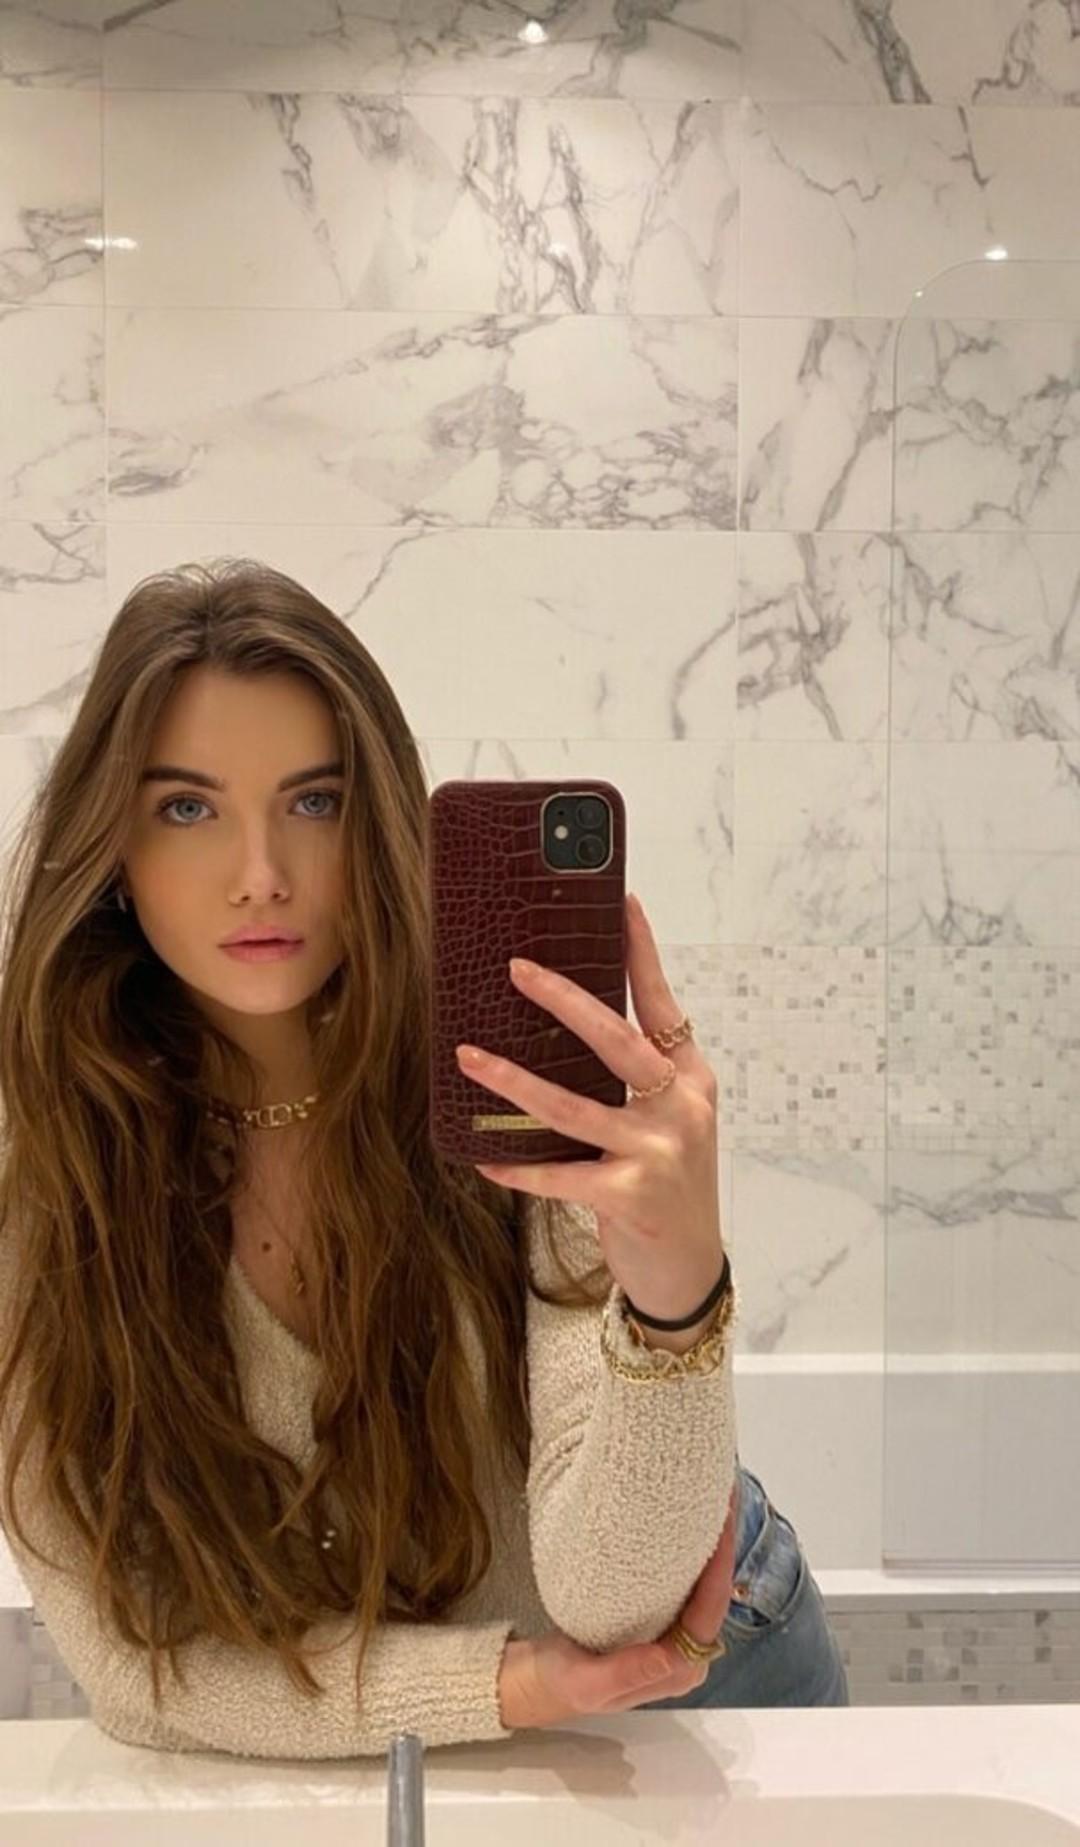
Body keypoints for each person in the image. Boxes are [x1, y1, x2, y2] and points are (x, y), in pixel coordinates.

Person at [0, 558, 846, 1760]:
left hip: (706, 1659)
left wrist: (674, 1297)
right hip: (474, 1703)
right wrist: (504, 1684)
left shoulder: (501, 1066)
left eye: (316, 801)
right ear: (112, 850)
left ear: (380, 816)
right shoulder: (49, 1158)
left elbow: (615, 1605)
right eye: (187, 808)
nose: (261, 873)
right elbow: (137, 1665)